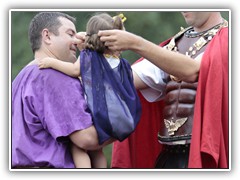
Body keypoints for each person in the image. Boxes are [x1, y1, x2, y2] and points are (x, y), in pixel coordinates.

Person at [98, 11, 229, 168]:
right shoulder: (175, 44)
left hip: (205, 156)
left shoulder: (229, 39)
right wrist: (94, 52)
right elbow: (123, 80)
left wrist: (135, 43)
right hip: (168, 156)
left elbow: (192, 71)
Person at [37, 13, 141, 168]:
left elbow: (74, 70)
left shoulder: (90, 56)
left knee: (78, 146)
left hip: (101, 115)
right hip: (122, 116)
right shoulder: (120, 61)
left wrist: (52, 62)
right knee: (96, 150)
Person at [11, 12, 113, 169]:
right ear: (47, 36)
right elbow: (85, 138)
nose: (76, 40)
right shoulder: (54, 76)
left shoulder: (19, 79)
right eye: (70, 34)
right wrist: (125, 125)